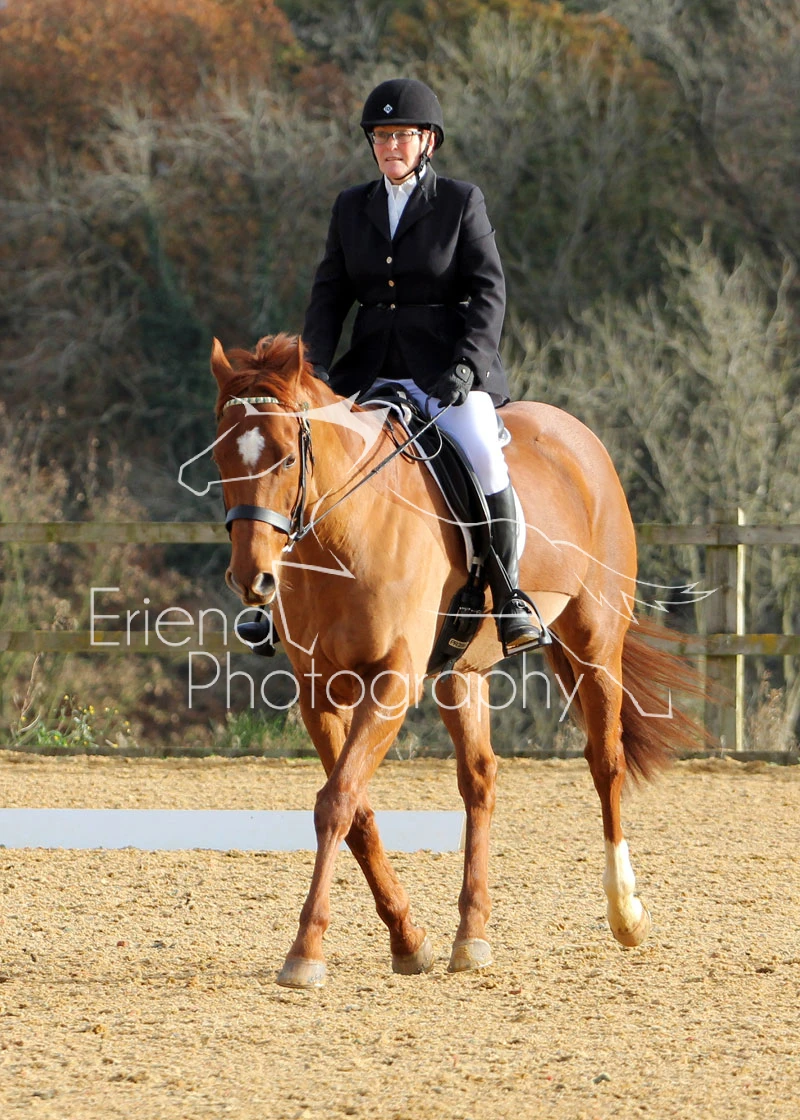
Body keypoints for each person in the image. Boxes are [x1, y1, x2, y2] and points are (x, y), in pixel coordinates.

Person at [302, 77, 546, 656]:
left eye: (402, 136)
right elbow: (329, 295)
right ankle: (278, 603)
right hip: (368, 373)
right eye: (381, 136)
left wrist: (468, 364)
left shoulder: (460, 202)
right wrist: (311, 370)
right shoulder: (351, 207)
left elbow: (489, 291)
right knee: (302, 453)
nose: (391, 146)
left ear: (427, 141)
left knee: (483, 451)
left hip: (444, 372)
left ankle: (509, 594)